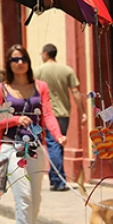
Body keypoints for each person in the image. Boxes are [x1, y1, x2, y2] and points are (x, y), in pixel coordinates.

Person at [0, 44, 65, 224]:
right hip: (11, 146)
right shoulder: (2, 90)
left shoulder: (40, 87)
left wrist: (58, 136)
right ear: (9, 63)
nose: (19, 63)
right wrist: (14, 119)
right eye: (15, 59)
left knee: (35, 200)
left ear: (29, 61)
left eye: (23, 58)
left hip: (34, 148)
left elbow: (48, 115)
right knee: (23, 197)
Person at [35, 43, 87, 191]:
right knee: (58, 144)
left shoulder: (38, 71)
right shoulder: (67, 71)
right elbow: (76, 92)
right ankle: (56, 178)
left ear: (45, 54)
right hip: (64, 113)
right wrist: (82, 111)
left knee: (53, 145)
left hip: (48, 113)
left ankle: (58, 180)